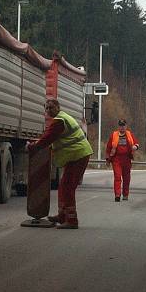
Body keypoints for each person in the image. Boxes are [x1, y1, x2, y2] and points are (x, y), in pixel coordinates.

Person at [31, 98, 93, 229]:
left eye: (51, 107)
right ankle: (62, 216)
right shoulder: (62, 118)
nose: (48, 110)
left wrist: (32, 147)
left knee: (68, 187)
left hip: (78, 155)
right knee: (63, 186)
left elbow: (47, 139)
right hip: (76, 155)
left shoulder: (59, 121)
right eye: (46, 108)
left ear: (58, 107)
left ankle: (71, 220)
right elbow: (49, 137)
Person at [106, 119, 139, 202]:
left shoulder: (130, 135)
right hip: (116, 159)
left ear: (126, 126)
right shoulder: (114, 135)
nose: (122, 127)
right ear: (118, 127)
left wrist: (135, 147)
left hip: (127, 159)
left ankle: (125, 194)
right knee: (117, 176)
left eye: (123, 125)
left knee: (126, 178)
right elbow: (108, 148)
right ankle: (117, 194)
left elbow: (136, 144)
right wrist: (108, 159)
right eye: (120, 125)